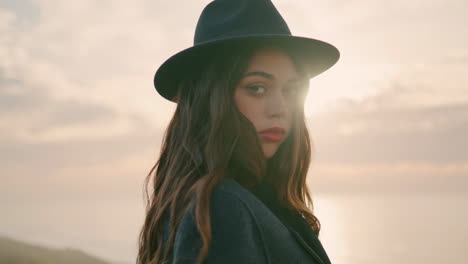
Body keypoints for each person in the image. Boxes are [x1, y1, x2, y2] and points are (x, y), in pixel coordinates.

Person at [137, 0, 339, 263]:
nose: (280, 109)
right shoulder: (220, 207)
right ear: (212, 99)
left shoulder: (254, 199)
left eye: (290, 90)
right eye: (257, 88)